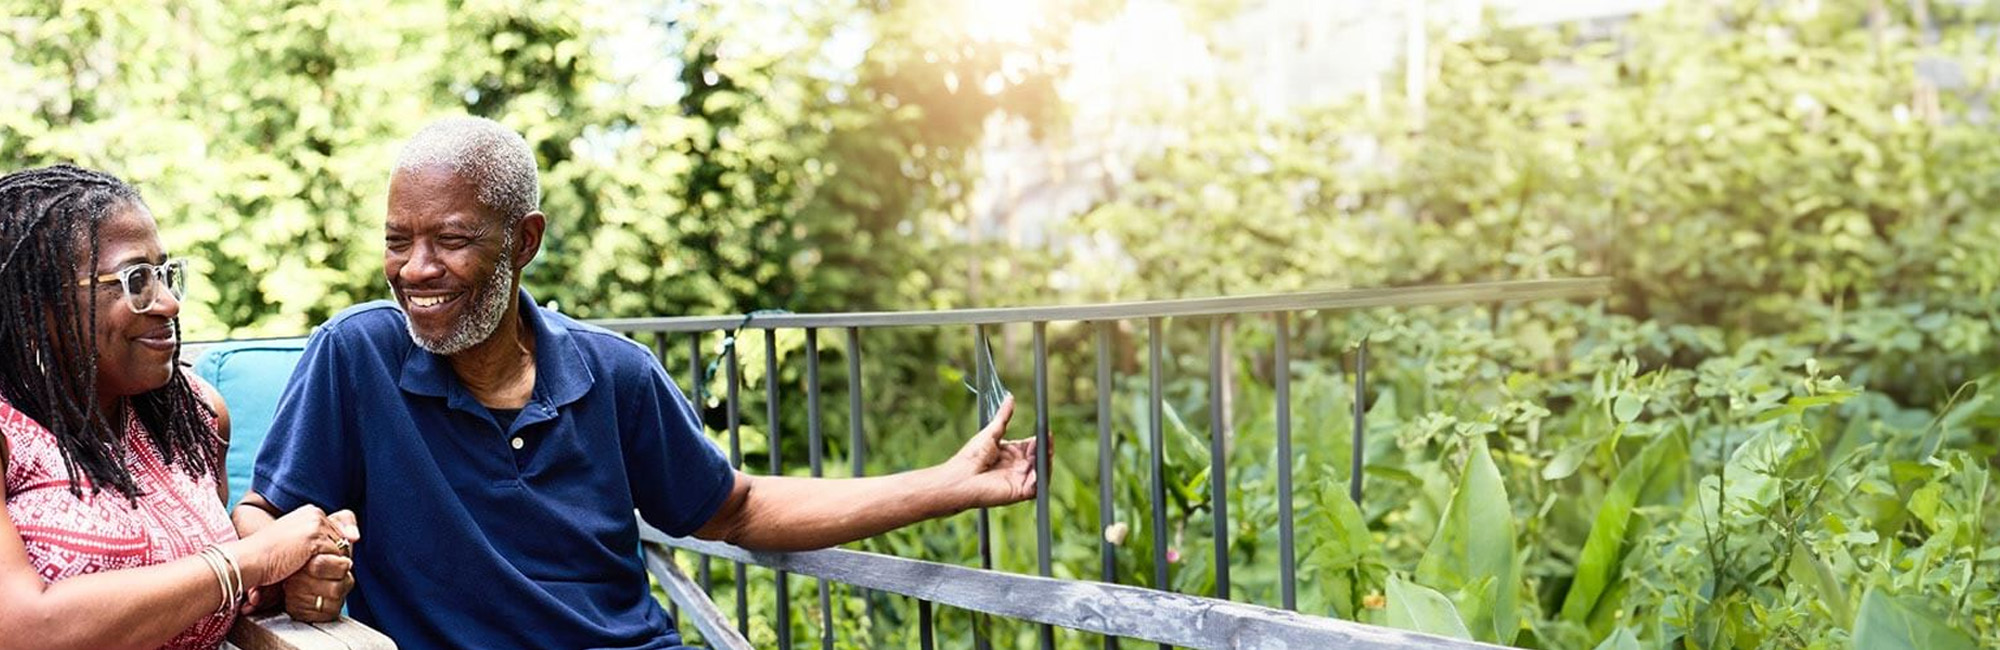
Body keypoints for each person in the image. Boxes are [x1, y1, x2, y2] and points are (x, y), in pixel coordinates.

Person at [234, 116, 1041, 650]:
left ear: (525, 242)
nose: (416, 270)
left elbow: (737, 507)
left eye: (450, 240)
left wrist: (946, 484)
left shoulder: (615, 375)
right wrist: (292, 569)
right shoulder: (357, 354)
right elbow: (263, 513)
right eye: (397, 241)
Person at [0, 164, 358, 650]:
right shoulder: (8, 431)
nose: (168, 302)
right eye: (135, 280)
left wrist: (288, 580)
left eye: (166, 275)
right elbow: (22, 630)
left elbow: (212, 597)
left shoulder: (194, 417)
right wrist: (250, 560)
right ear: (38, 304)